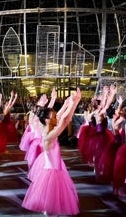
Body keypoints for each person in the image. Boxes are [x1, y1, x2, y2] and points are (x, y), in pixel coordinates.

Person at [22, 88, 81, 216]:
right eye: (53, 116)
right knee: (51, 208)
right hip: (52, 173)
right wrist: (73, 104)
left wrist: (70, 104)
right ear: (48, 120)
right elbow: (64, 121)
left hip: (55, 169)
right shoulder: (49, 136)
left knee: (52, 207)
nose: (56, 117)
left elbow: (64, 118)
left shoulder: (49, 128)